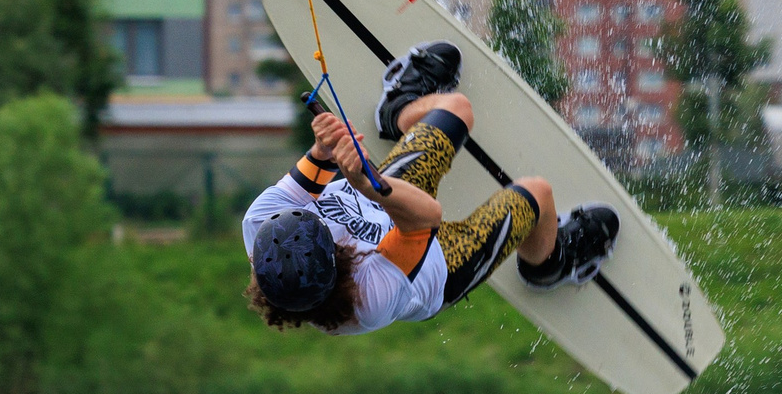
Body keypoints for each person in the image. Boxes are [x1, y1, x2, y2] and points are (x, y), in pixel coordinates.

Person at [243, 41, 618, 334]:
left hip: (381, 199)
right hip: (439, 264)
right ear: (335, 262)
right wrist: (368, 184)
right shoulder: (368, 300)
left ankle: (396, 110)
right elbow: (426, 218)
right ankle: (548, 266)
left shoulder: (262, 223)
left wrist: (324, 150)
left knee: (457, 108)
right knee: (537, 193)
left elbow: (315, 167)